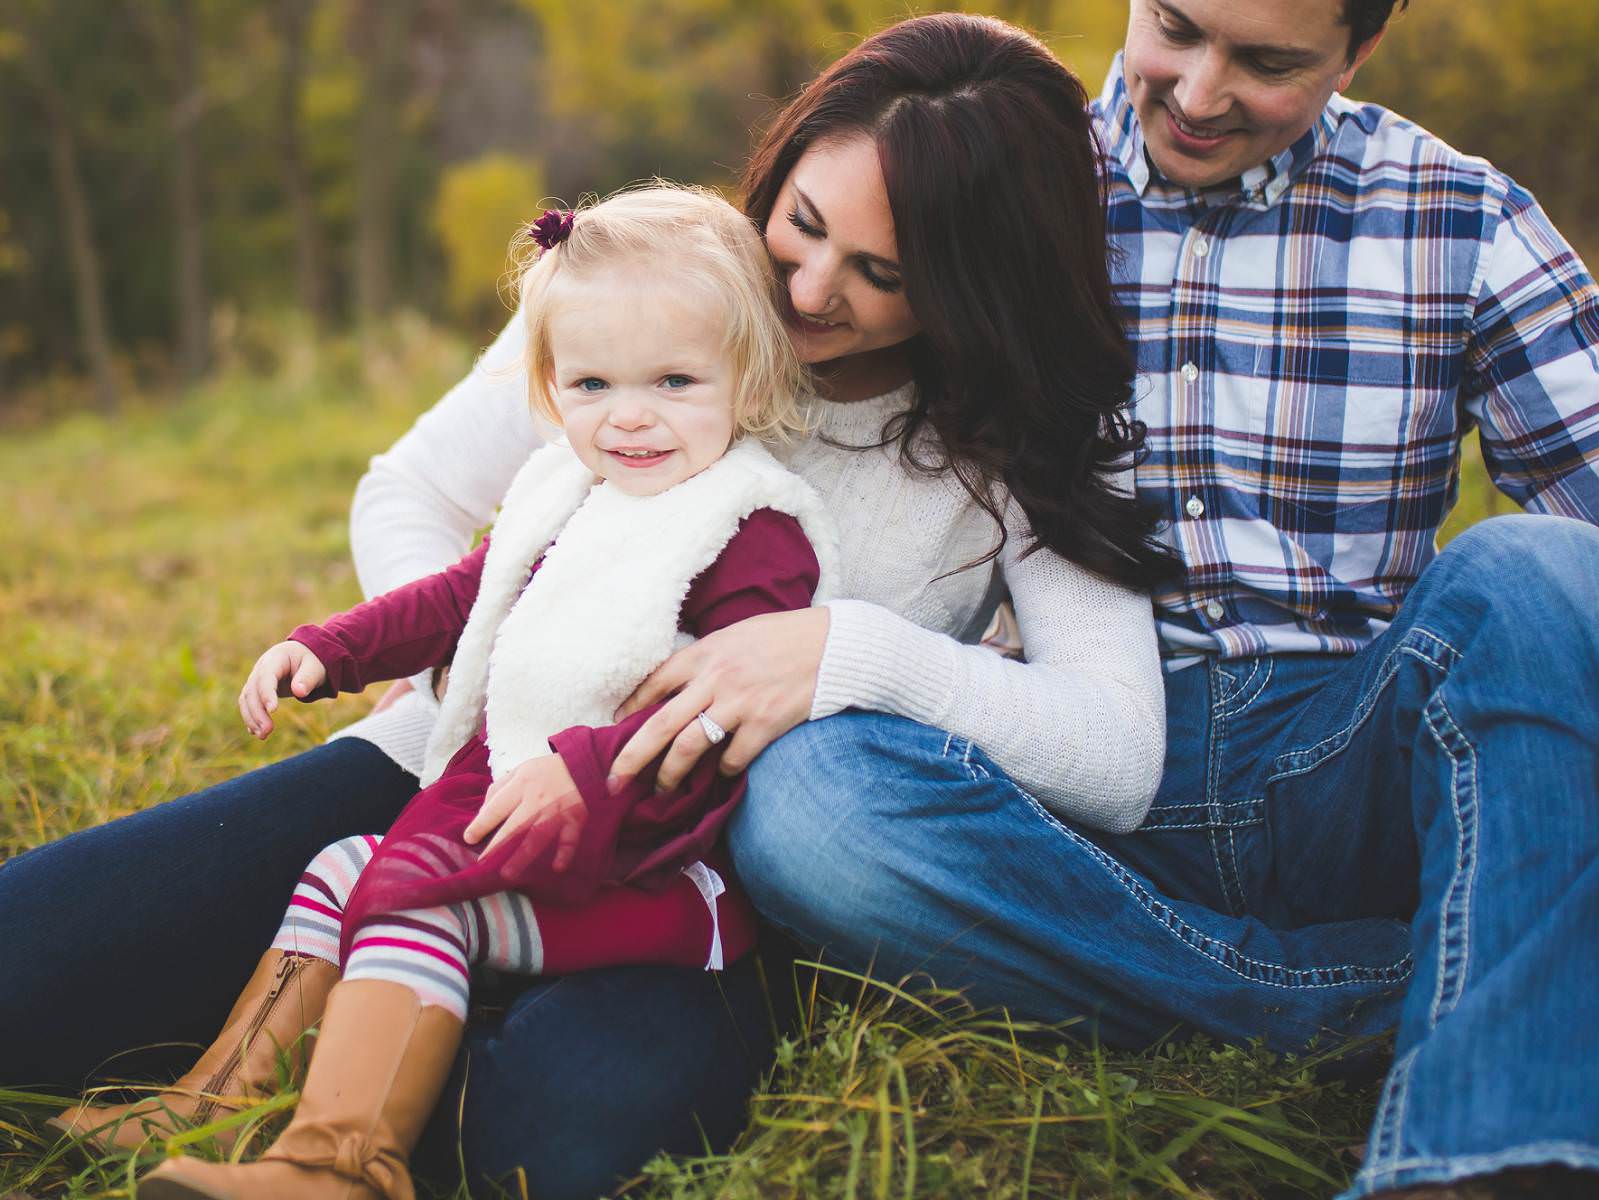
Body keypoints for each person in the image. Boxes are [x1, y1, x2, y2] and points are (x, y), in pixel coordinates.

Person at [4, 14, 1174, 1198]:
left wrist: (842, 651)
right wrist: (479, 671)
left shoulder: (1014, 440)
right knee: (26, 968)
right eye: (805, 228)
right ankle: (301, 1053)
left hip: (696, 854)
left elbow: (1117, 749)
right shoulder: (655, 286)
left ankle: (362, 1094)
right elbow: (409, 491)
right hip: (452, 772)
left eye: (887, 273)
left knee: (545, 1140)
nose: (812, 291)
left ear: (980, 282)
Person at [711, 2, 1599, 1198]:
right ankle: (1373, 999)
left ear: (1361, 49)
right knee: (805, 808)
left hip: (1365, 755)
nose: (1196, 93)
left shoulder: (1461, 217)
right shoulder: (987, 173)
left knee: (1552, 571)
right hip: (1072, 788)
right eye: (1176, 29)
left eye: (1268, 62)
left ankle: (1514, 1154)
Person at [58, 184, 832, 1197]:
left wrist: (582, 772)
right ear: (553, 386)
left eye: (675, 381)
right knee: (345, 866)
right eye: (592, 384)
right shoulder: (570, 491)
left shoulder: (750, 526)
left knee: (419, 900)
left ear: (751, 375)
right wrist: (329, 649)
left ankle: (342, 1162)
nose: (629, 416)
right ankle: (217, 1096)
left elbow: (723, 709)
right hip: (537, 837)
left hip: (657, 872)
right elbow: (463, 594)